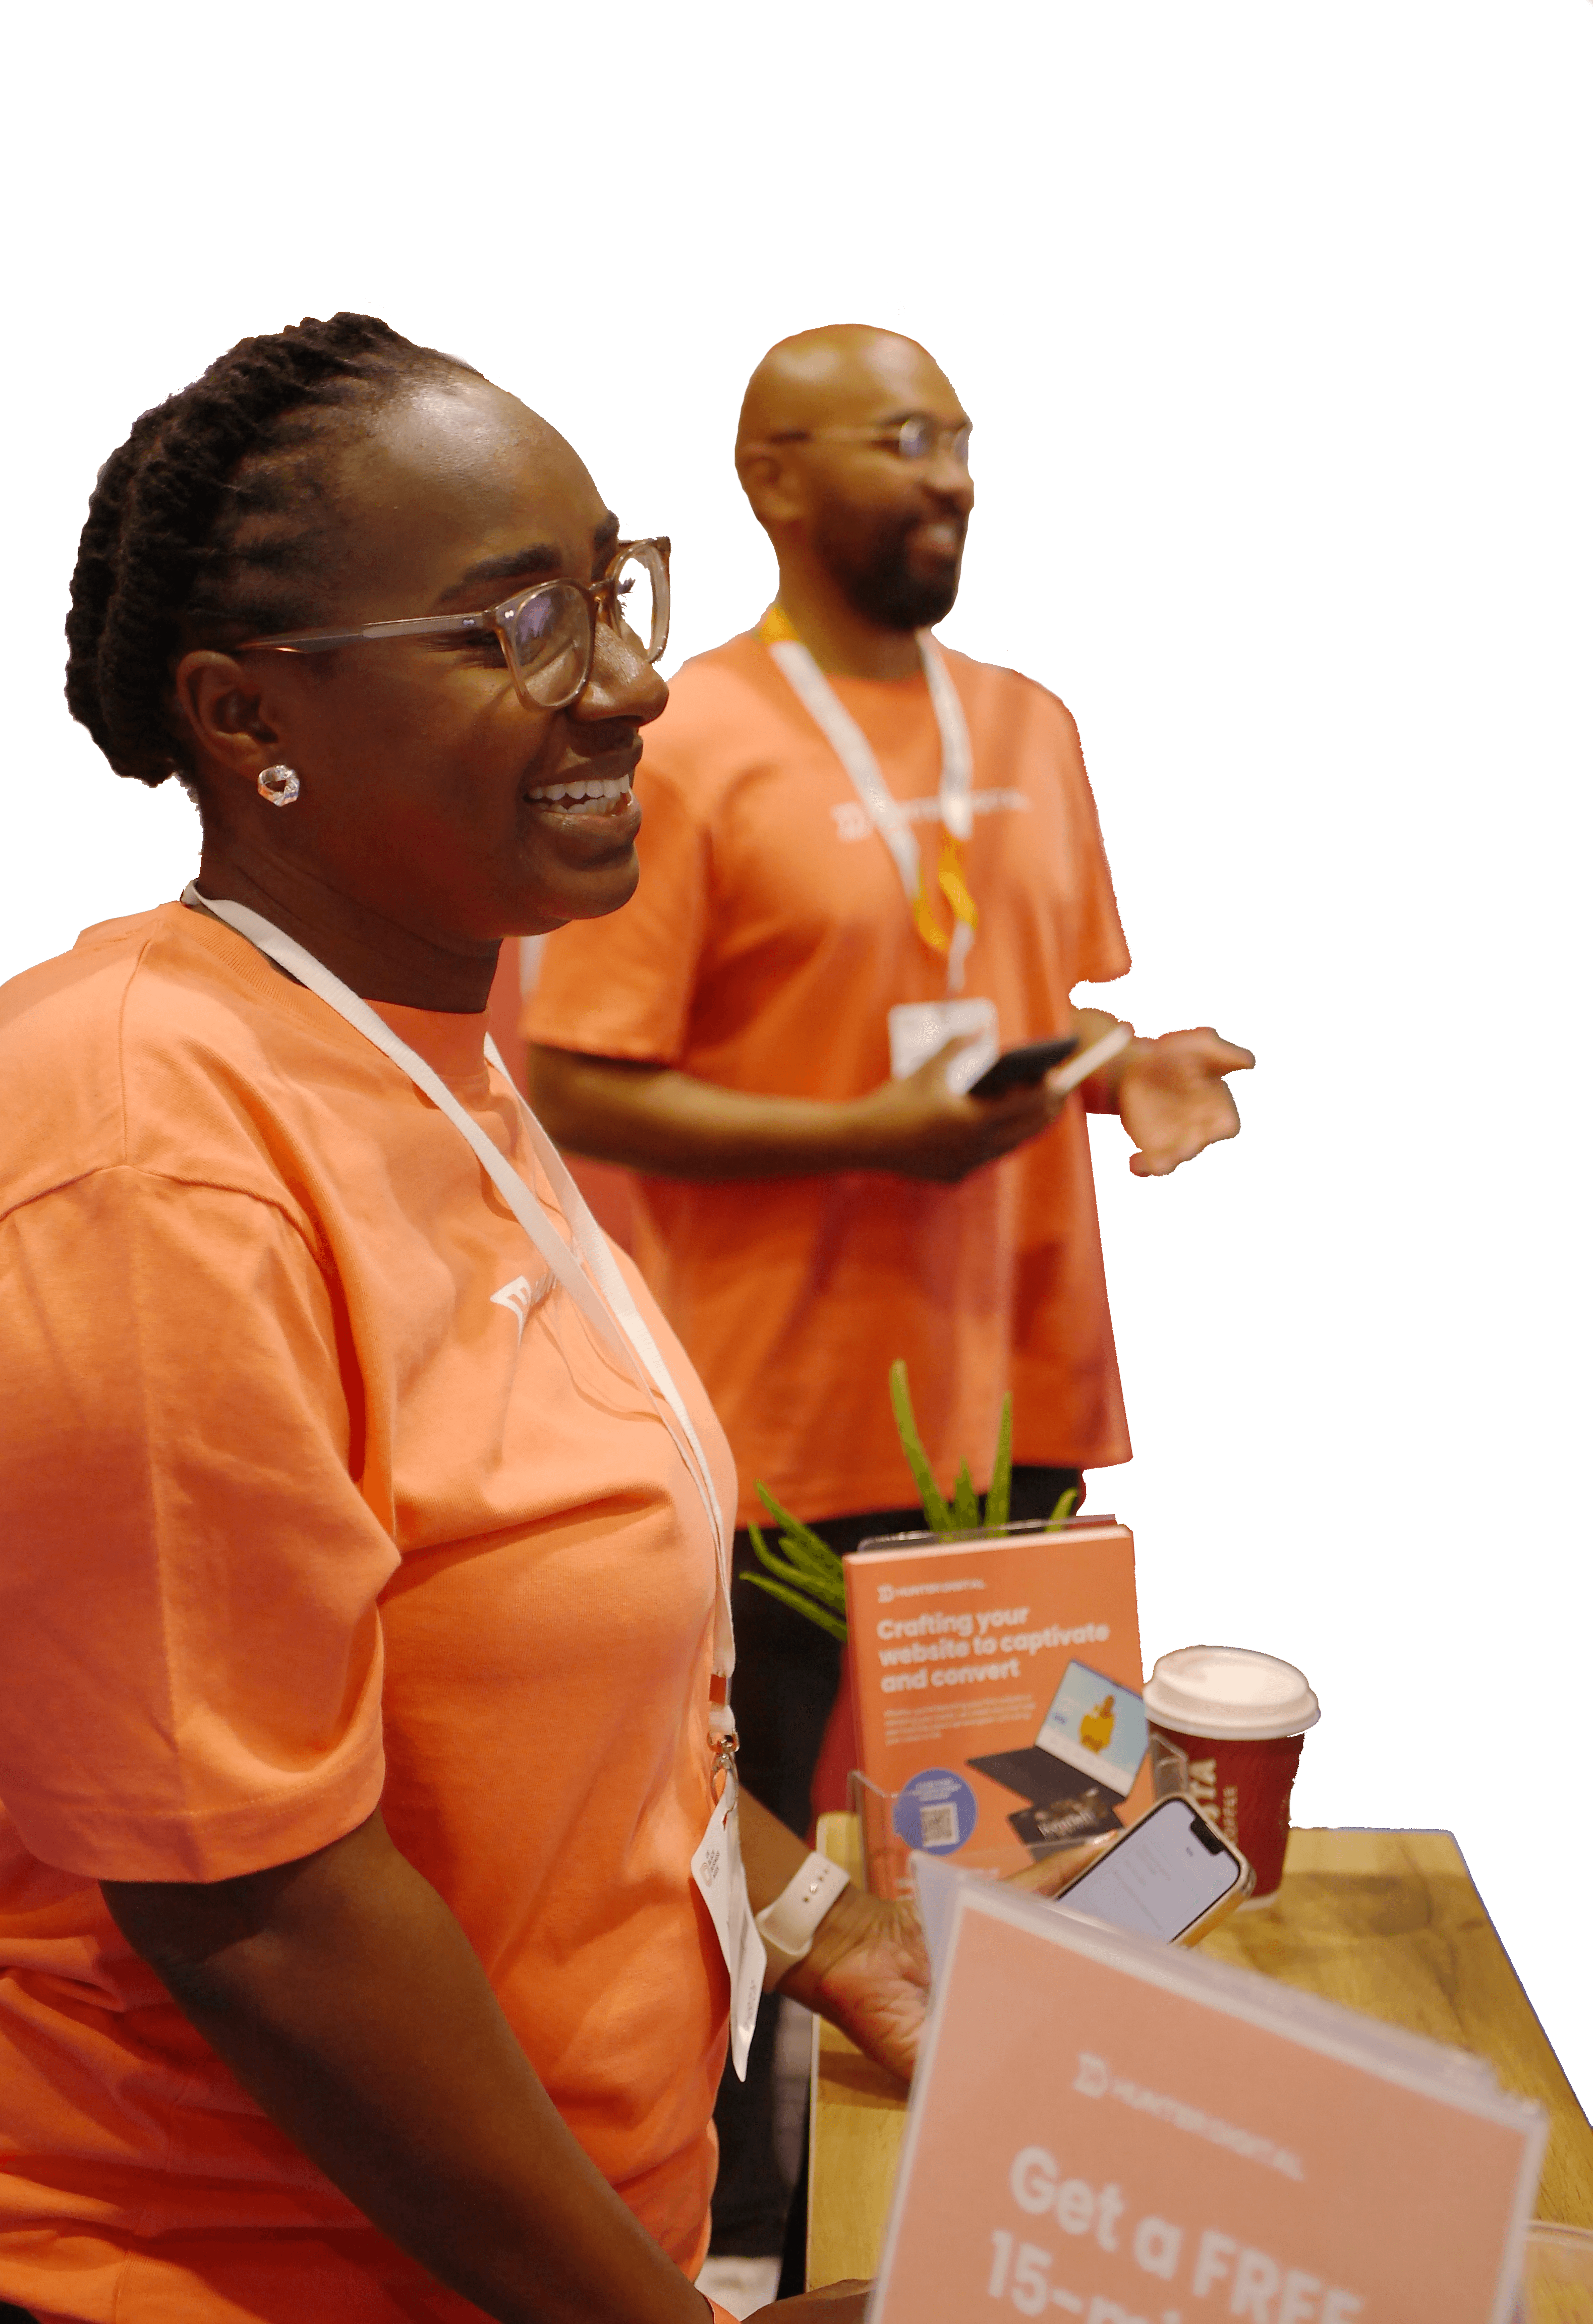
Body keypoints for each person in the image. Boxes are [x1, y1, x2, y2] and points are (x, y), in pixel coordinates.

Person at [0, 314, 933, 2324]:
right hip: (184, 2275)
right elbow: (252, 1910)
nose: (633, 678)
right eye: (514, 627)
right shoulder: (131, 1153)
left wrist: (819, 1916)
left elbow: (517, 1696)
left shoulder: (436, 1040)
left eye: (616, 588)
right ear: (247, 714)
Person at [523, 323, 1254, 2270]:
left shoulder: (1030, 724)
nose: (954, 479)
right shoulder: (681, 738)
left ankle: (1019, 2215)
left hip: (1020, 1398)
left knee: (1035, 1850)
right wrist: (868, 1134)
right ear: (772, 476)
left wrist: (1116, 1067)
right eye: (907, 440)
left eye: (963, 442)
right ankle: (738, 2250)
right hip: (770, 1418)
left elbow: (1010, 1021)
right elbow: (570, 1072)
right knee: (731, 1869)